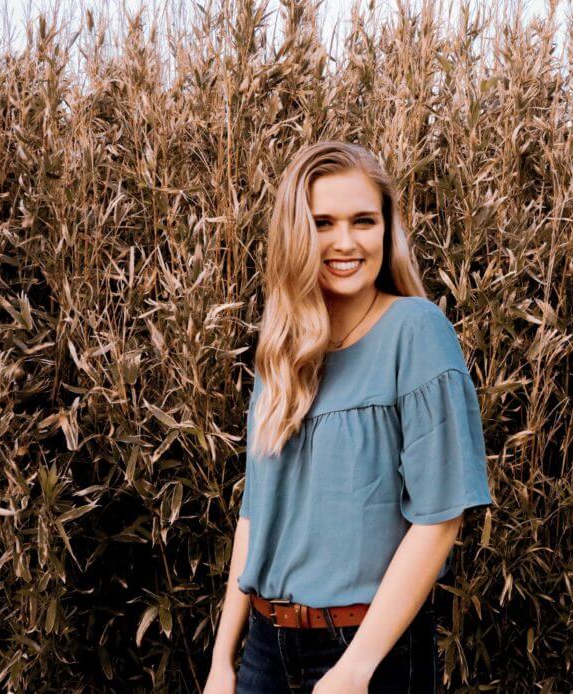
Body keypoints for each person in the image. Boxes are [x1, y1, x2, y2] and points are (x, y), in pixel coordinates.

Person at [203, 141, 494, 693]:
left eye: (363, 221)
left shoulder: (417, 331)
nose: (344, 242)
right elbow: (255, 515)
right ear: (296, 233)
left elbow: (439, 520)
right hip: (266, 649)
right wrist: (223, 660)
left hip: (369, 652)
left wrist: (355, 669)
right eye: (322, 223)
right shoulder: (282, 351)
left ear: (387, 229)